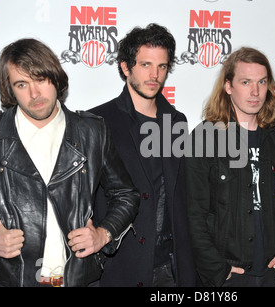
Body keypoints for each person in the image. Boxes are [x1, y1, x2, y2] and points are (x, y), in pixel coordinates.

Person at [0, 38, 140, 287]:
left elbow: (126, 194)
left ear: (55, 78)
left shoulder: (92, 131)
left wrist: (103, 234)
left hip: (81, 280)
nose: (34, 94)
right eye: (21, 84)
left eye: (41, 79)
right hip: (14, 281)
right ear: (10, 89)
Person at [89, 23, 195, 287]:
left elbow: (182, 193)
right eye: (145, 65)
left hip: (170, 266)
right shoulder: (99, 121)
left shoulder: (176, 121)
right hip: (121, 264)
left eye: (161, 66)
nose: (154, 75)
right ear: (126, 68)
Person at [185, 47, 275, 287]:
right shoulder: (205, 137)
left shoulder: (274, 138)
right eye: (245, 82)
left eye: (262, 82)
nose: (255, 91)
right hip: (226, 275)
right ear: (228, 86)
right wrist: (217, 269)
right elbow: (193, 214)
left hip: (267, 270)